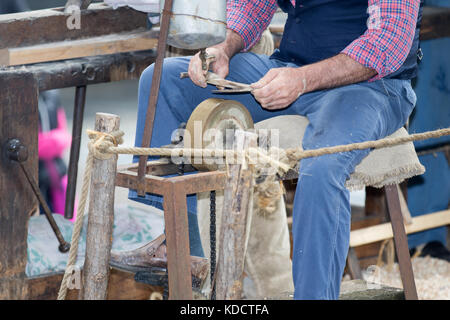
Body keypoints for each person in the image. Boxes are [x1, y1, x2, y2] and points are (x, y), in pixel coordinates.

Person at [112, 0, 423, 299]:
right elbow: (251, 5)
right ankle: (187, 250)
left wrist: (302, 80)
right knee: (163, 81)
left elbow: (389, 41)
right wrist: (224, 47)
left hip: (370, 87)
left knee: (323, 166)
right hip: (292, 67)